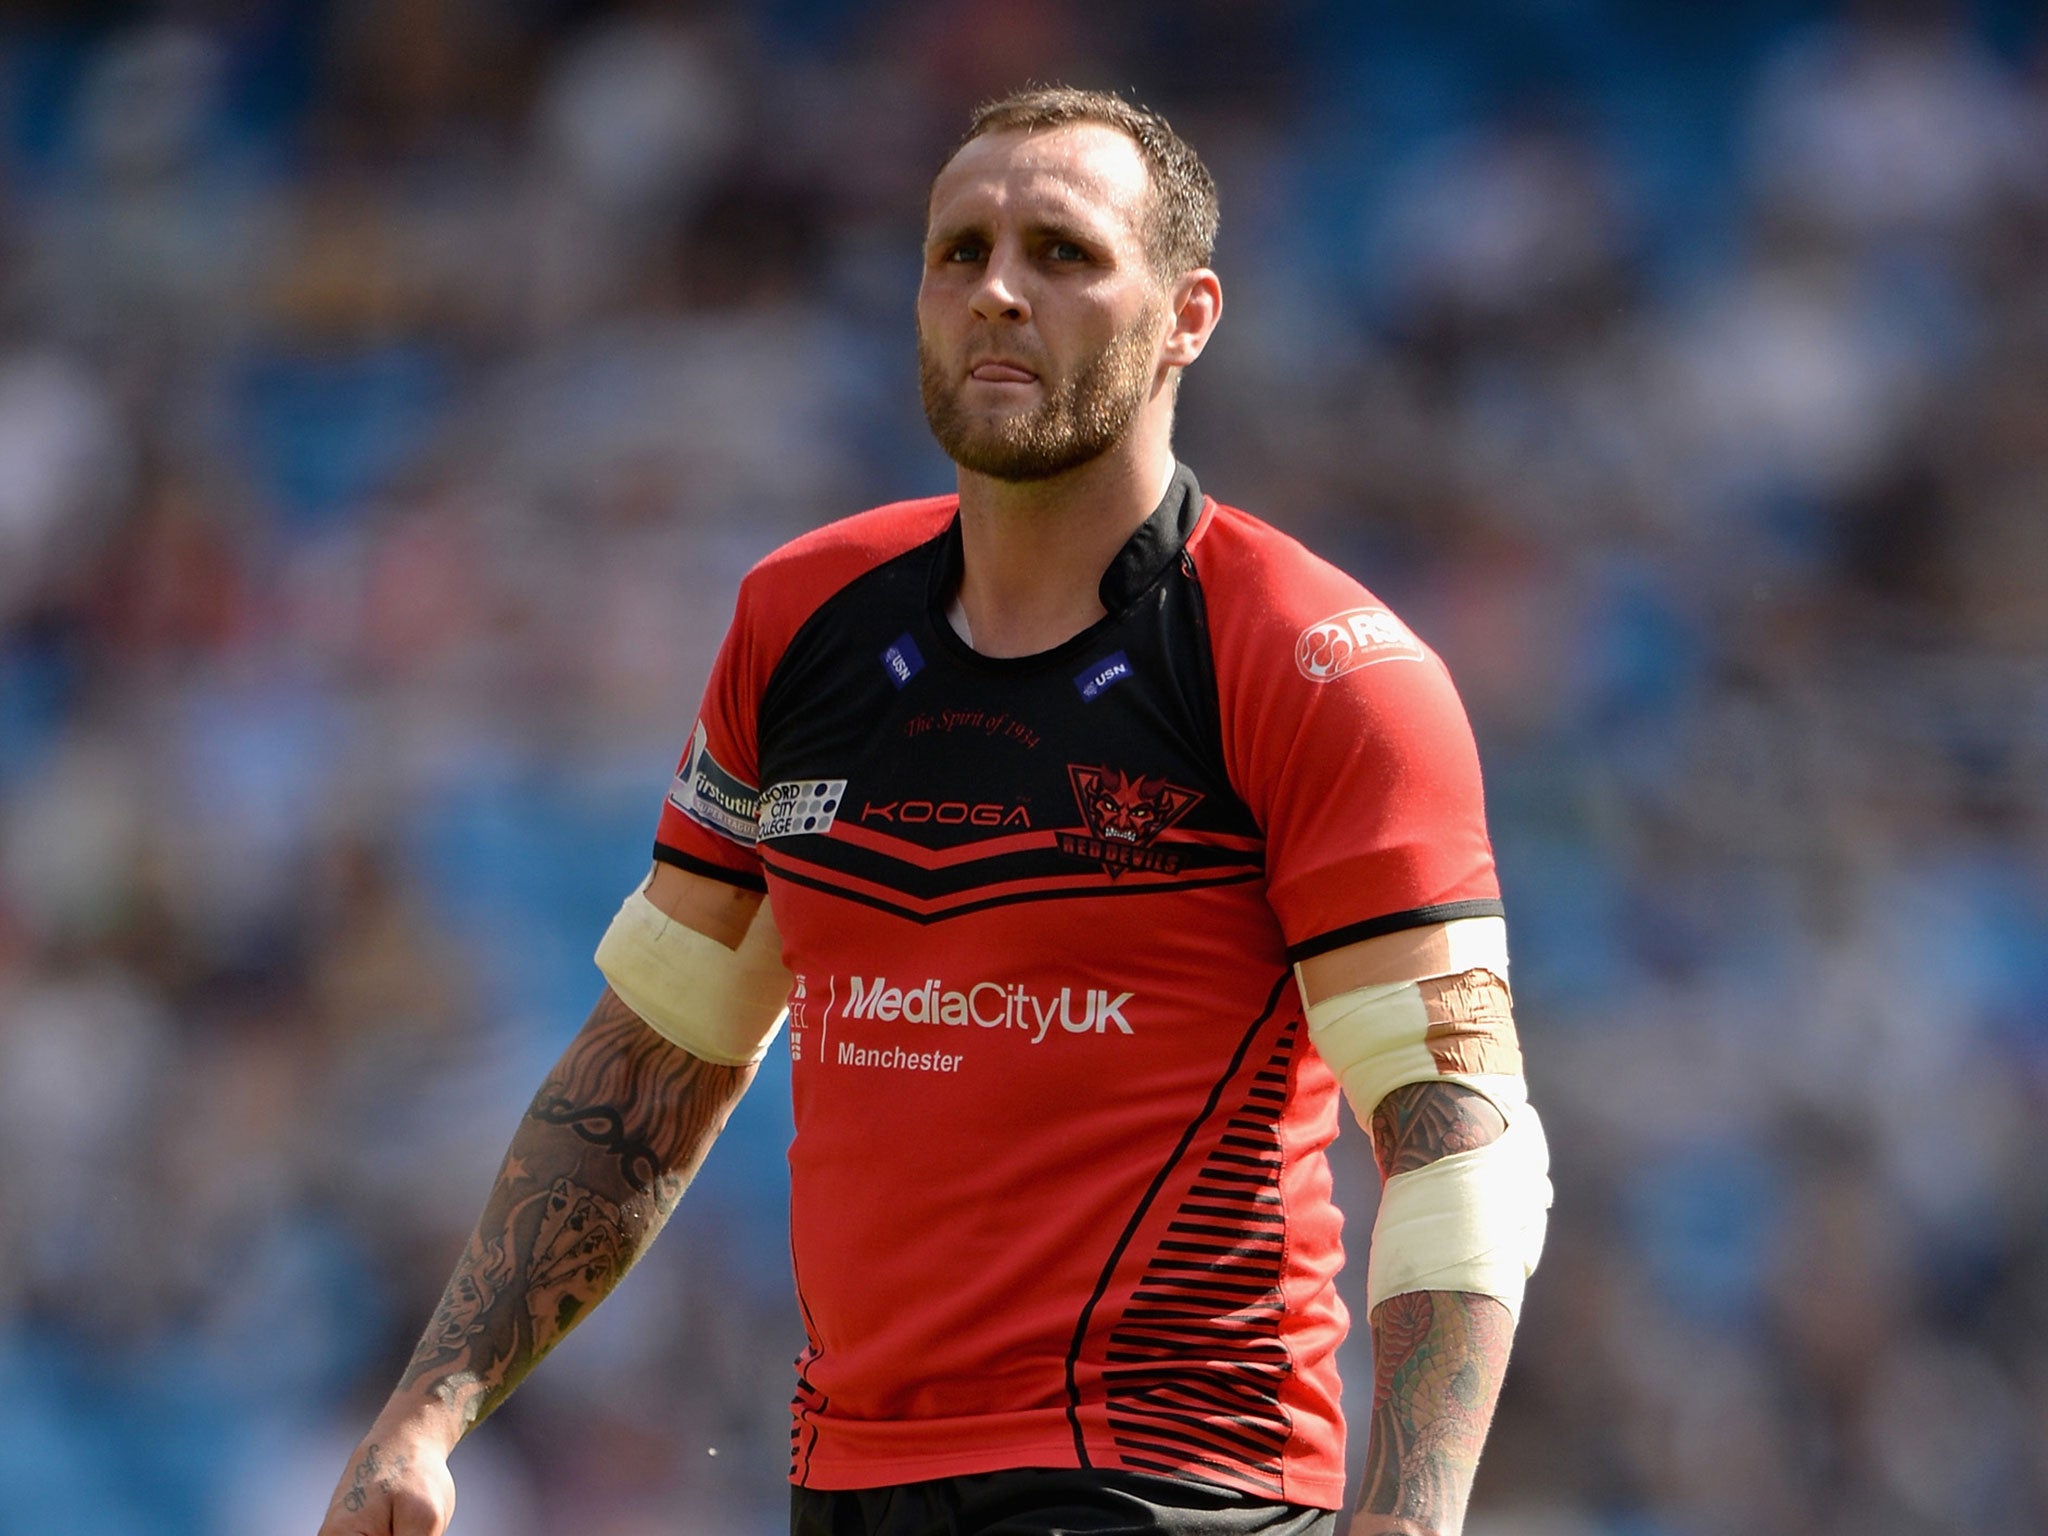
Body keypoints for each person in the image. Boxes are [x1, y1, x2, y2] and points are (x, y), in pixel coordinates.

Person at [317, 86, 1551, 1536]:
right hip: (845, 1485)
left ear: (1189, 316)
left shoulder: (1315, 666)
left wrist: (1407, 1524)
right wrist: (427, 1412)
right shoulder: (800, 623)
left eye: (1064, 253)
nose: (999, 293)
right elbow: (653, 1067)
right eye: (958, 252)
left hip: (1163, 1484)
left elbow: (1462, 1141)